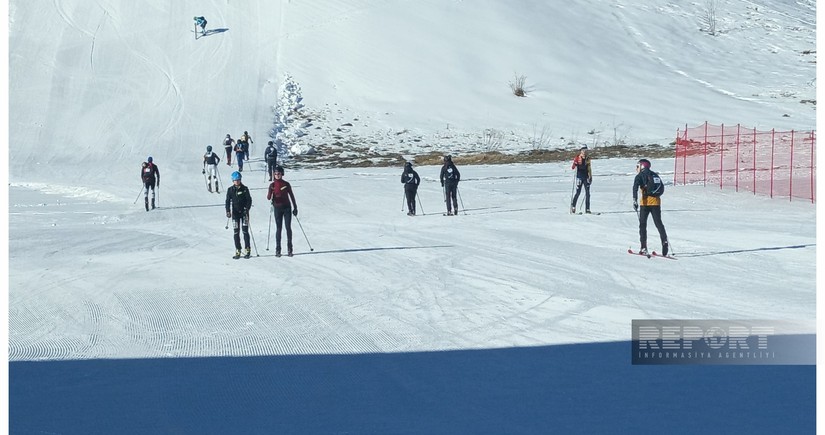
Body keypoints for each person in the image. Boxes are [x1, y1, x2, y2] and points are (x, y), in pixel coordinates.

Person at [633, 159, 669, 256]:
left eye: (638, 166)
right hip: (656, 203)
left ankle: (643, 247)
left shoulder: (639, 176)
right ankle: (664, 241)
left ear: (642, 166)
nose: (636, 168)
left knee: (643, 225)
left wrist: (634, 200)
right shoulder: (655, 175)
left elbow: (635, 188)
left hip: (644, 204)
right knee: (659, 223)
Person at [266, 166, 298, 257]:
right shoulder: (272, 185)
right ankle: (278, 249)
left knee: (288, 227)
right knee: (278, 228)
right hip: (277, 208)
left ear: (282, 174)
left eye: (279, 173)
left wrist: (295, 208)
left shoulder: (286, 184)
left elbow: (291, 196)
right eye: (275, 174)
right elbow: (268, 197)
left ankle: (290, 249)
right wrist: (271, 192)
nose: (277, 175)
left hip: (287, 207)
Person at [226, 171, 252, 259]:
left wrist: (247, 208)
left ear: (240, 180)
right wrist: (228, 211)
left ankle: (247, 249)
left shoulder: (245, 189)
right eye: (235, 180)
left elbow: (249, 200)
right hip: (235, 214)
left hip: (244, 213)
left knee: (245, 231)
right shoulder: (230, 190)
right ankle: (238, 250)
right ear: (232, 181)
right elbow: (227, 201)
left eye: (238, 180)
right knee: (236, 232)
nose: (236, 182)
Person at [570, 146, 592, 214]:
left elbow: (589, 168)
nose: (584, 152)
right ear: (581, 151)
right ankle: (573, 206)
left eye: (585, 150)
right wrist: (575, 164)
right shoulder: (577, 158)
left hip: (586, 177)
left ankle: (587, 209)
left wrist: (590, 176)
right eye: (583, 150)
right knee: (578, 193)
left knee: (588, 193)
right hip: (579, 177)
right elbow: (573, 167)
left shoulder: (588, 158)